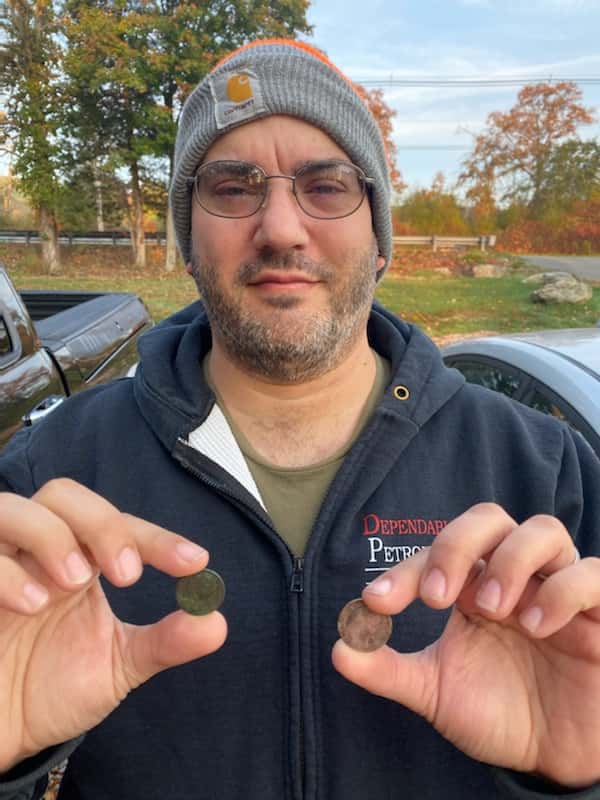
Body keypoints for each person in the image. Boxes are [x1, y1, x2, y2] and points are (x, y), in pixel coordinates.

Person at [0, 38, 599, 800]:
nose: (281, 228)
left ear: (379, 240)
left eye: (326, 186)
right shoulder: (48, 474)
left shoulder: (547, 473)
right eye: (232, 187)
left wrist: (577, 779)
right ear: (187, 240)